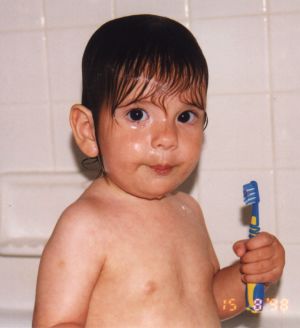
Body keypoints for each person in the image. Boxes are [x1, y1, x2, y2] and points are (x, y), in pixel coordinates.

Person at [33, 14, 285, 327]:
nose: (167, 137)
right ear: (88, 130)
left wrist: (250, 275)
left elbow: (209, 303)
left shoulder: (188, 210)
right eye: (138, 114)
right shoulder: (86, 226)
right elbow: (55, 323)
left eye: (185, 116)